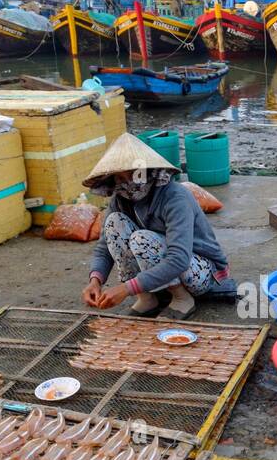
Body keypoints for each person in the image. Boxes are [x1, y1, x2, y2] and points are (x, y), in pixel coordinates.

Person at [81, 133, 234, 320]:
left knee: (141, 239)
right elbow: (104, 247)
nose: (128, 183)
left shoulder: (175, 197)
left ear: (149, 171)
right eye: (120, 178)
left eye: (133, 174)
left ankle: (182, 298)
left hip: (201, 271)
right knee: (114, 224)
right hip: (163, 267)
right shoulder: (119, 200)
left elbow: (178, 258)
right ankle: (146, 298)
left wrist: (126, 289)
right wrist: (95, 281)